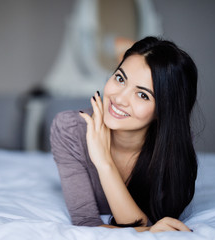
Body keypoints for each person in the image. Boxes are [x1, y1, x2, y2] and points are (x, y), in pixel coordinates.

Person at [50, 36, 198, 232]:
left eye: (143, 94)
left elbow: (159, 219)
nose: (119, 99)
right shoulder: (71, 129)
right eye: (120, 78)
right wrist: (145, 230)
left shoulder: (171, 150)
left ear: (164, 111)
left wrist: (104, 162)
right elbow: (86, 224)